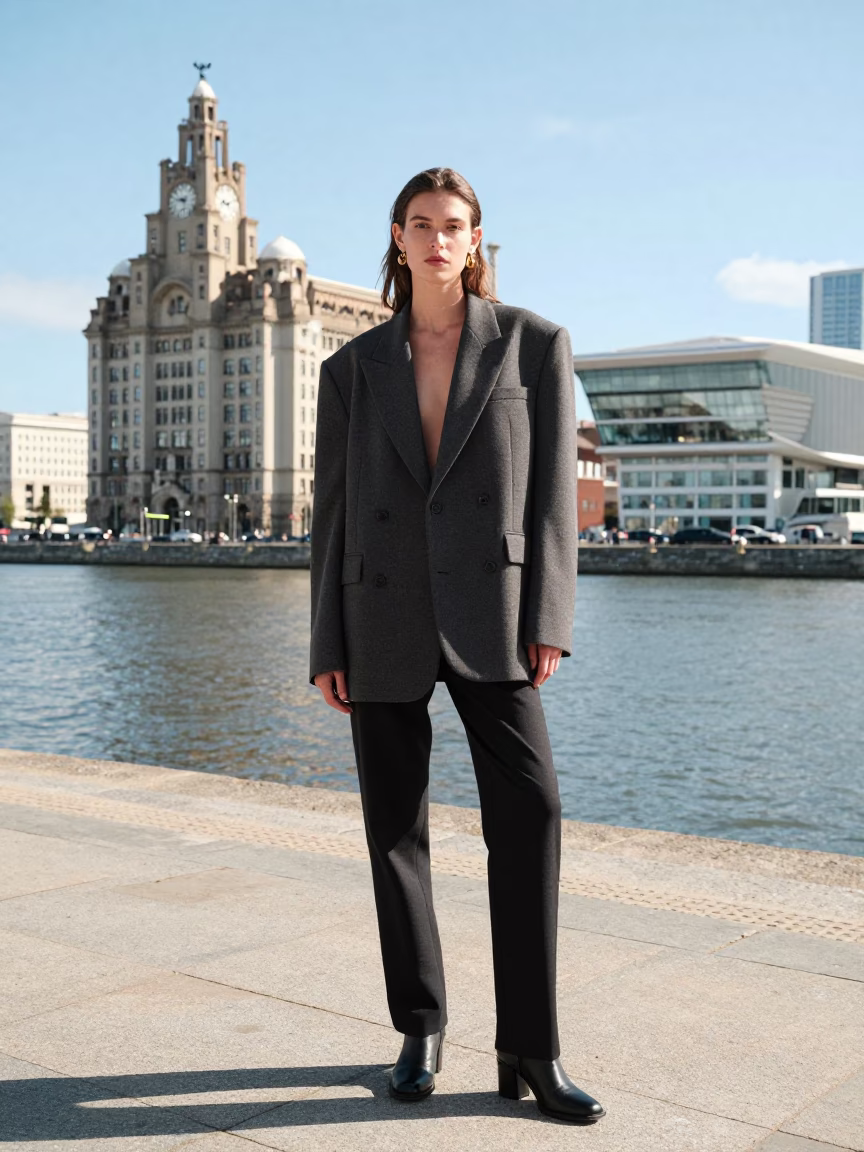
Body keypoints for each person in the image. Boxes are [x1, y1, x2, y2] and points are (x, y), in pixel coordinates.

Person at [309, 167, 605, 1126]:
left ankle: (532, 1046)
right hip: (380, 611)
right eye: (420, 223)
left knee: (532, 811)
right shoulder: (351, 368)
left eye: (454, 225)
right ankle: (420, 1028)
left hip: (494, 613)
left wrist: (548, 616)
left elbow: (552, 496)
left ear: (475, 240)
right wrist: (325, 639)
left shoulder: (533, 343)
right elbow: (332, 513)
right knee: (394, 829)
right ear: (397, 238)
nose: (438, 239)